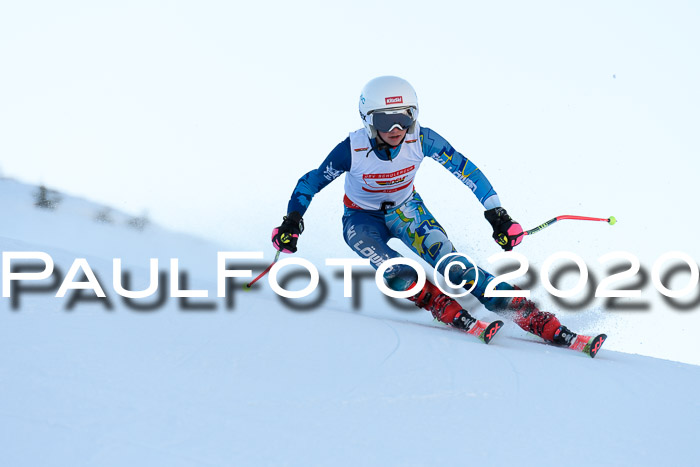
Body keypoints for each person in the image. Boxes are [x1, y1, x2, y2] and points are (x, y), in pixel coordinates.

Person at [271, 75, 576, 346]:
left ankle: (528, 314)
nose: (395, 130)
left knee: (456, 269)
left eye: (405, 119)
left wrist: (497, 215)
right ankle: (439, 305)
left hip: (408, 211)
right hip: (361, 220)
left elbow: (467, 171)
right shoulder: (351, 149)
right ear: (367, 120)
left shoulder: (422, 139)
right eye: (384, 121)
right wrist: (292, 221)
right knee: (398, 273)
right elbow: (310, 182)